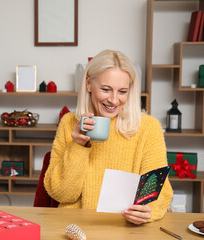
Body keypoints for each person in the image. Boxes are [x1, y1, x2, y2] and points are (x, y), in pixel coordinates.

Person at [44, 49, 173, 225]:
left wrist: (148, 211)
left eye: (122, 91)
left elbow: (159, 193)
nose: (113, 100)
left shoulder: (148, 128)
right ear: (89, 84)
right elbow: (62, 194)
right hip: (75, 226)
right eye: (106, 89)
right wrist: (78, 146)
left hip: (126, 228)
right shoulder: (69, 123)